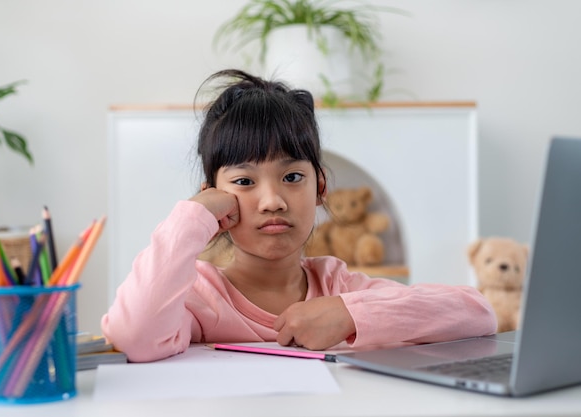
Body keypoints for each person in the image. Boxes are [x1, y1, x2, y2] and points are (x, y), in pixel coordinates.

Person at [101, 69, 497, 362]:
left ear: (320, 188)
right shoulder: (201, 298)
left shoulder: (338, 286)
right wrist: (192, 218)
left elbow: (477, 313)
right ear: (215, 198)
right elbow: (133, 334)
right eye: (244, 181)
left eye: (292, 177)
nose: (272, 200)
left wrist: (348, 313)